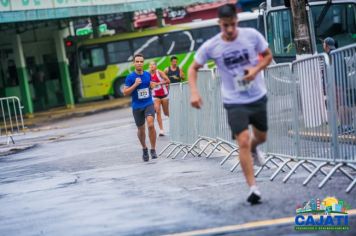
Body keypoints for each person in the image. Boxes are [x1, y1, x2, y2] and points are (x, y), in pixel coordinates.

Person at [188, 4, 273, 205]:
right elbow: (193, 68)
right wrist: (194, 92)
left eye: (233, 25)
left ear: (237, 20)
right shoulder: (212, 46)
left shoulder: (251, 35)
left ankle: (255, 147)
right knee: (242, 140)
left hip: (257, 95)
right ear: (219, 23)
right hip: (234, 101)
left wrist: (255, 70)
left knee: (260, 136)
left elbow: (268, 56)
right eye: (225, 26)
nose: (229, 30)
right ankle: (253, 188)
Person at [123, 54, 159, 161]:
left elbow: (150, 87)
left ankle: (153, 149)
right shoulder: (130, 77)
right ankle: (144, 148)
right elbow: (125, 92)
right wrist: (134, 85)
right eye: (137, 61)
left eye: (141, 61)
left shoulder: (148, 75)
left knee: (151, 125)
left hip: (148, 103)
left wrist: (152, 86)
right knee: (141, 129)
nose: (139, 63)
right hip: (137, 106)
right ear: (134, 63)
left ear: (143, 63)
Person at [149, 61, 171, 136]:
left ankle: (173, 124)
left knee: (166, 113)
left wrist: (158, 84)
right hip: (155, 96)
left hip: (164, 95)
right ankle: (161, 130)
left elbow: (168, 81)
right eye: (150, 65)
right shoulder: (148, 75)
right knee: (158, 111)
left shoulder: (159, 73)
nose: (152, 66)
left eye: (153, 65)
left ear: (156, 66)